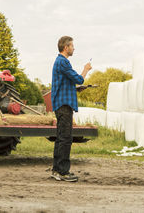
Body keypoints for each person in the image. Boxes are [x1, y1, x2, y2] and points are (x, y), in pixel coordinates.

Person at [50, 36, 92, 182]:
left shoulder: (60, 62)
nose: (74, 48)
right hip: (64, 105)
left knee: (61, 138)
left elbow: (66, 83)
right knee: (66, 138)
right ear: (66, 47)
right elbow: (79, 79)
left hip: (61, 104)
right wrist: (86, 70)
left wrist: (76, 89)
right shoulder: (63, 62)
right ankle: (63, 172)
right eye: (72, 46)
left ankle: (56, 170)